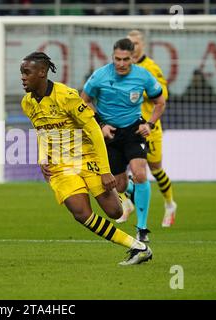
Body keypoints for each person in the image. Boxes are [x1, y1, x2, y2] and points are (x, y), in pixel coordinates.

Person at [20, 51, 152, 265]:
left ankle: (125, 192)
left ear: (42, 72)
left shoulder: (67, 96)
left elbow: (93, 129)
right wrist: (42, 157)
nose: (23, 77)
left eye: (27, 72)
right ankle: (137, 247)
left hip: (87, 157)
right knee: (81, 213)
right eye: (22, 73)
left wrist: (105, 170)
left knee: (114, 212)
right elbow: (41, 131)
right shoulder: (27, 103)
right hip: (60, 167)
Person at [80, 38, 166, 243]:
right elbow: (83, 101)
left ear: (132, 58)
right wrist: (101, 125)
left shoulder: (143, 76)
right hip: (110, 134)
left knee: (140, 173)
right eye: (117, 59)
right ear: (113, 56)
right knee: (118, 185)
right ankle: (130, 190)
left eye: (125, 59)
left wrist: (150, 125)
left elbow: (160, 102)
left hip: (133, 131)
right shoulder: (100, 75)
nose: (120, 63)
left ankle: (142, 228)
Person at [124, 29, 177, 228]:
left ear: (142, 45)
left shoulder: (151, 67)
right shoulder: (122, 67)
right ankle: (128, 203)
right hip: (128, 127)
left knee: (155, 169)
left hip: (149, 127)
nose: (132, 47)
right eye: (129, 43)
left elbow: (164, 94)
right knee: (125, 169)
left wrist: (142, 90)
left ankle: (170, 204)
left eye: (135, 43)